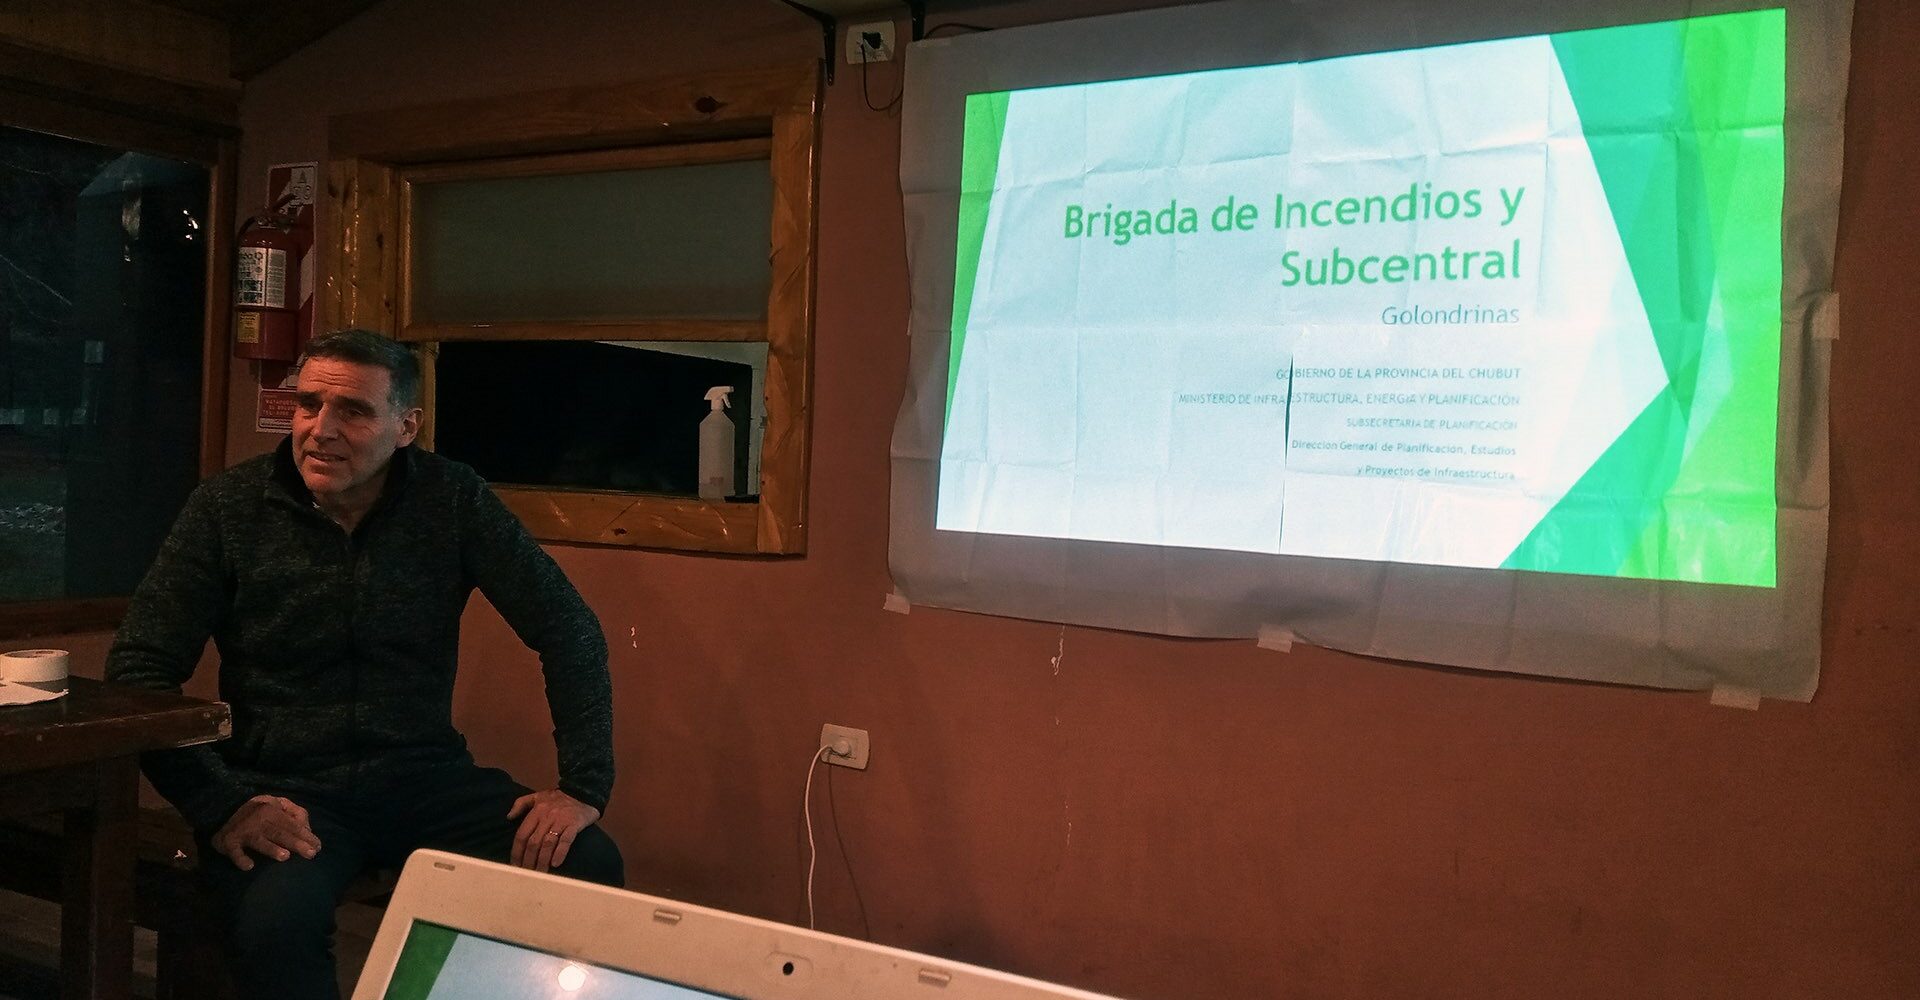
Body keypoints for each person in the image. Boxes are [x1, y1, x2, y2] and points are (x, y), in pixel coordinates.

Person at [106, 328, 621, 1000]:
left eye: (352, 410)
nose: (321, 430)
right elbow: (139, 668)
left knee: (586, 861)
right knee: (276, 923)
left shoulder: (451, 499)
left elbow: (569, 630)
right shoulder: (228, 507)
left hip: (424, 776)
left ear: (406, 427)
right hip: (285, 790)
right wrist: (221, 803)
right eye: (308, 405)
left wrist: (583, 787)